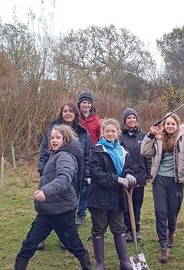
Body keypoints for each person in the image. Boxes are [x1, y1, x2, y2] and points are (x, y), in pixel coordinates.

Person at [14, 125, 91, 270]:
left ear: (66, 140)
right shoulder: (56, 154)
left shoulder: (65, 156)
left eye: (58, 137)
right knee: (29, 244)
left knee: (74, 246)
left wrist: (45, 191)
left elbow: (64, 178)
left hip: (62, 212)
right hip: (47, 212)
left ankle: (87, 266)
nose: (54, 140)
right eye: (52, 137)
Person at [37, 103, 92, 249]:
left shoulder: (83, 133)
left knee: (69, 207)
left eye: (71, 111)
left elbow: (87, 156)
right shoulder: (52, 130)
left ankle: (65, 237)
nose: (68, 113)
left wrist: (87, 175)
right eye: (65, 111)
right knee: (47, 205)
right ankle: (40, 236)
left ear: (75, 113)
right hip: (52, 174)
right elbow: (44, 151)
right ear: (61, 113)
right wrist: (42, 170)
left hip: (75, 175)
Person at [140, 113, 184, 263]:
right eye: (167, 123)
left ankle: (172, 232)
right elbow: (144, 151)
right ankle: (163, 246)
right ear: (164, 125)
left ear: (177, 125)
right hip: (160, 180)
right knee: (160, 212)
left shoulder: (183, 138)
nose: (170, 126)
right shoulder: (158, 138)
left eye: (173, 124)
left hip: (176, 180)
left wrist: (183, 128)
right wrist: (150, 134)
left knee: (172, 212)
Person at [88, 119, 136, 270]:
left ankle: (124, 261)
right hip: (100, 197)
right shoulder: (97, 150)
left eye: (113, 131)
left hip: (117, 198)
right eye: (107, 131)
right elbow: (96, 173)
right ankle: (100, 263)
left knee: (119, 228)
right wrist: (117, 179)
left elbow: (128, 167)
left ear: (118, 133)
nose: (110, 133)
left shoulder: (123, 151)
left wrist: (128, 175)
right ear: (102, 132)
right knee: (99, 228)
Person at [120, 108, 152, 242]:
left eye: (134, 118)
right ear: (125, 121)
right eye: (129, 118)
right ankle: (127, 229)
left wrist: (149, 173)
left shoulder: (143, 136)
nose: (132, 120)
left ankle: (136, 229)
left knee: (137, 204)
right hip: (126, 175)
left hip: (140, 175)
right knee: (126, 204)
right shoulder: (120, 136)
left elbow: (147, 156)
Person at [76, 91, 101, 225]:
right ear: (79, 104)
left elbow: (99, 137)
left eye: (88, 103)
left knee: (86, 184)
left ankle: (81, 213)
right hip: (75, 153)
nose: (86, 105)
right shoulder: (74, 117)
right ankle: (71, 210)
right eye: (84, 102)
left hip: (91, 155)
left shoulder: (96, 119)